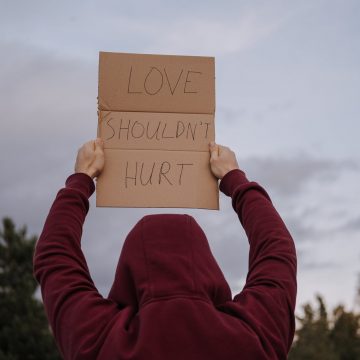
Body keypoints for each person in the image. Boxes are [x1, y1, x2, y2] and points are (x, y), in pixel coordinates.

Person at [34, 139, 297, 360]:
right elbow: (277, 251)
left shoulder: (97, 340)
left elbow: (55, 258)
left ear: (128, 272)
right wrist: (235, 179)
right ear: (206, 266)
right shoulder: (255, 336)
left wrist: (80, 180)